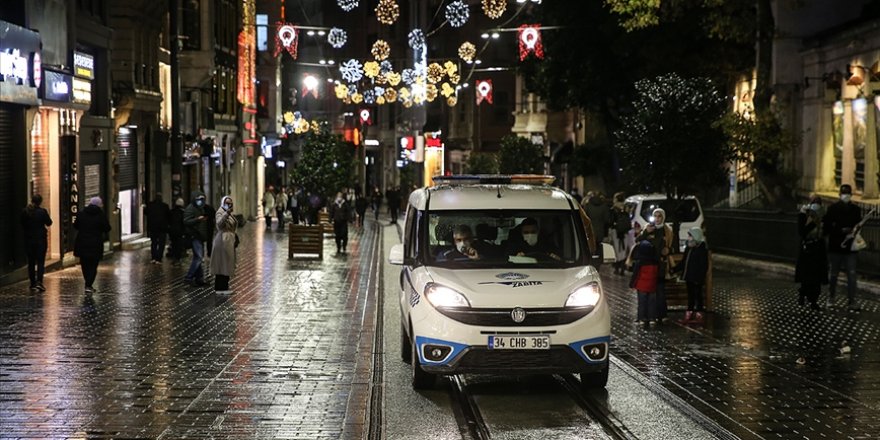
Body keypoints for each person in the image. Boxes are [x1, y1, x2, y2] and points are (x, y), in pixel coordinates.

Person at [822, 184, 863, 312]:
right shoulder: (832, 209)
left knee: (851, 274)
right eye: (844, 193)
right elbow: (827, 227)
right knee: (834, 274)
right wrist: (840, 230)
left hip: (850, 247)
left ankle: (852, 300)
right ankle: (831, 298)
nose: (846, 196)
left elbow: (858, 225)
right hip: (836, 246)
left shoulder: (856, 210)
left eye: (847, 194)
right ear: (840, 195)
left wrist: (853, 230)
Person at [637, 208, 673, 321]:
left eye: (659, 216)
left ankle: (662, 314)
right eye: (655, 216)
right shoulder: (648, 228)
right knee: (648, 291)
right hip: (648, 264)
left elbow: (671, 245)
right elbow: (639, 241)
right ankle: (648, 315)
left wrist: (668, 250)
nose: (657, 219)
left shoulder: (667, 230)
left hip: (661, 264)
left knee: (660, 290)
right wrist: (646, 232)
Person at [796, 195, 828, 311]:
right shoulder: (804, 214)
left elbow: (825, 231)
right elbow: (802, 232)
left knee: (816, 278)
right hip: (807, 249)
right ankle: (803, 293)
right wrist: (814, 222)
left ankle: (814, 301)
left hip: (818, 249)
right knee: (806, 277)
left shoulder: (823, 215)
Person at [74, 197, 111, 293]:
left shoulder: (81, 214)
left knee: (84, 263)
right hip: (96, 243)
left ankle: (87, 282)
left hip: (82, 242)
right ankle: (88, 284)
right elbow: (107, 228)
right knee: (93, 265)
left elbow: (76, 225)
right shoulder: (101, 215)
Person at [673, 227, 710, 323]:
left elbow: (703, 265)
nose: (688, 238)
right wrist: (674, 269)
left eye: (690, 235)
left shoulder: (701, 249)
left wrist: (700, 277)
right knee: (691, 296)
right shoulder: (689, 249)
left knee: (698, 295)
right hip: (689, 276)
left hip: (696, 277)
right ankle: (690, 313)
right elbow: (684, 262)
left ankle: (699, 314)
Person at [20, 194, 53, 291]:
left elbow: (22, 224)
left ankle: (32, 283)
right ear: (40, 202)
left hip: (29, 240)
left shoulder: (25, 212)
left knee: (31, 262)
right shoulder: (42, 212)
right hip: (40, 240)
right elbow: (49, 223)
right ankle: (39, 281)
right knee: (40, 262)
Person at [211, 196, 239, 294]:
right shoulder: (220, 212)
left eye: (230, 203)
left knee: (227, 263)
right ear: (223, 203)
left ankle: (224, 287)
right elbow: (219, 224)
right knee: (222, 264)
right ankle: (220, 288)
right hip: (223, 241)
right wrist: (226, 214)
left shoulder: (229, 213)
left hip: (228, 241)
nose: (229, 205)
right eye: (227, 203)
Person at [183, 191, 211, 286]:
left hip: (199, 236)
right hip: (194, 235)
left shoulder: (200, 208)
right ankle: (189, 277)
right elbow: (186, 221)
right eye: (198, 200)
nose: (200, 201)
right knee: (199, 257)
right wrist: (197, 220)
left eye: (202, 200)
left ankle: (199, 278)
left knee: (198, 256)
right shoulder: (191, 209)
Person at [629, 240, 659, 326]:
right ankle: (652, 318)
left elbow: (636, 275)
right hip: (652, 285)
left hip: (641, 286)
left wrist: (632, 284)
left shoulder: (640, 262)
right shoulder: (655, 262)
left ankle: (641, 318)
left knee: (642, 303)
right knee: (651, 303)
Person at [583, 192, 612, 265]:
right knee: (598, 248)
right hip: (600, 230)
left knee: (589, 246)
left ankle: (589, 261)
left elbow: (584, 218)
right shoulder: (604, 206)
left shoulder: (588, 205)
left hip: (590, 230)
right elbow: (607, 219)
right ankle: (597, 263)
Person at [145, 193, 170, 264]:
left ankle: (153, 257)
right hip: (162, 228)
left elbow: (146, 212)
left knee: (154, 243)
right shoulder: (165, 206)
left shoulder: (150, 205)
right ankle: (159, 258)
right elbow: (168, 215)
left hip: (153, 228)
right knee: (161, 244)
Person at [610, 192, 631, 275]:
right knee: (624, 249)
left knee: (616, 250)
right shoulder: (626, 208)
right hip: (625, 232)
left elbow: (610, 221)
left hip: (616, 231)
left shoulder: (613, 208)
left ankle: (617, 268)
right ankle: (623, 268)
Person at [168, 198, 186, 265]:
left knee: (173, 244)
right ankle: (178, 258)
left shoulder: (171, 211)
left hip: (172, 232)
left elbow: (169, 221)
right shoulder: (183, 212)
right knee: (179, 245)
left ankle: (174, 258)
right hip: (179, 232)